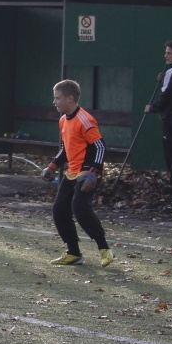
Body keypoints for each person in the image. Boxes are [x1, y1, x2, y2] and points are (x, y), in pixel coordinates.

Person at [41, 79, 113, 267]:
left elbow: (100, 146)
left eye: (58, 98)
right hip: (71, 172)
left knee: (79, 207)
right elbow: (65, 149)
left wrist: (94, 171)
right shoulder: (63, 120)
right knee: (59, 210)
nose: (54, 102)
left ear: (70, 98)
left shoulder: (85, 120)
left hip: (87, 172)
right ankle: (74, 253)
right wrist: (52, 167)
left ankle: (105, 249)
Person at [146, 40, 172, 191]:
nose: (166, 56)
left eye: (169, 53)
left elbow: (166, 97)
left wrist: (152, 107)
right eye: (166, 53)